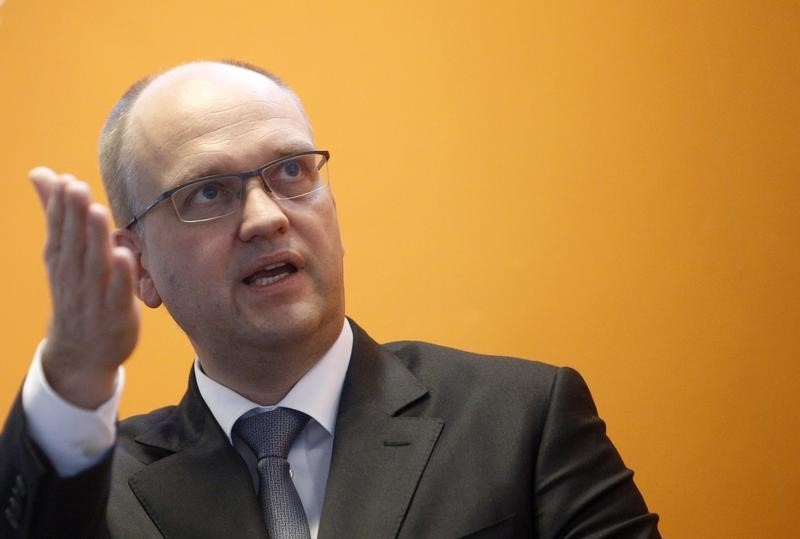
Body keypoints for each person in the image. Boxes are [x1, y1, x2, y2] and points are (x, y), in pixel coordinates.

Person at [0, 60, 660, 538]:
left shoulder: (521, 420)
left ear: (332, 205)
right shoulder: (93, 494)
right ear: (139, 263)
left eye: (291, 171)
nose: (265, 217)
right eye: (208, 191)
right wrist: (75, 374)